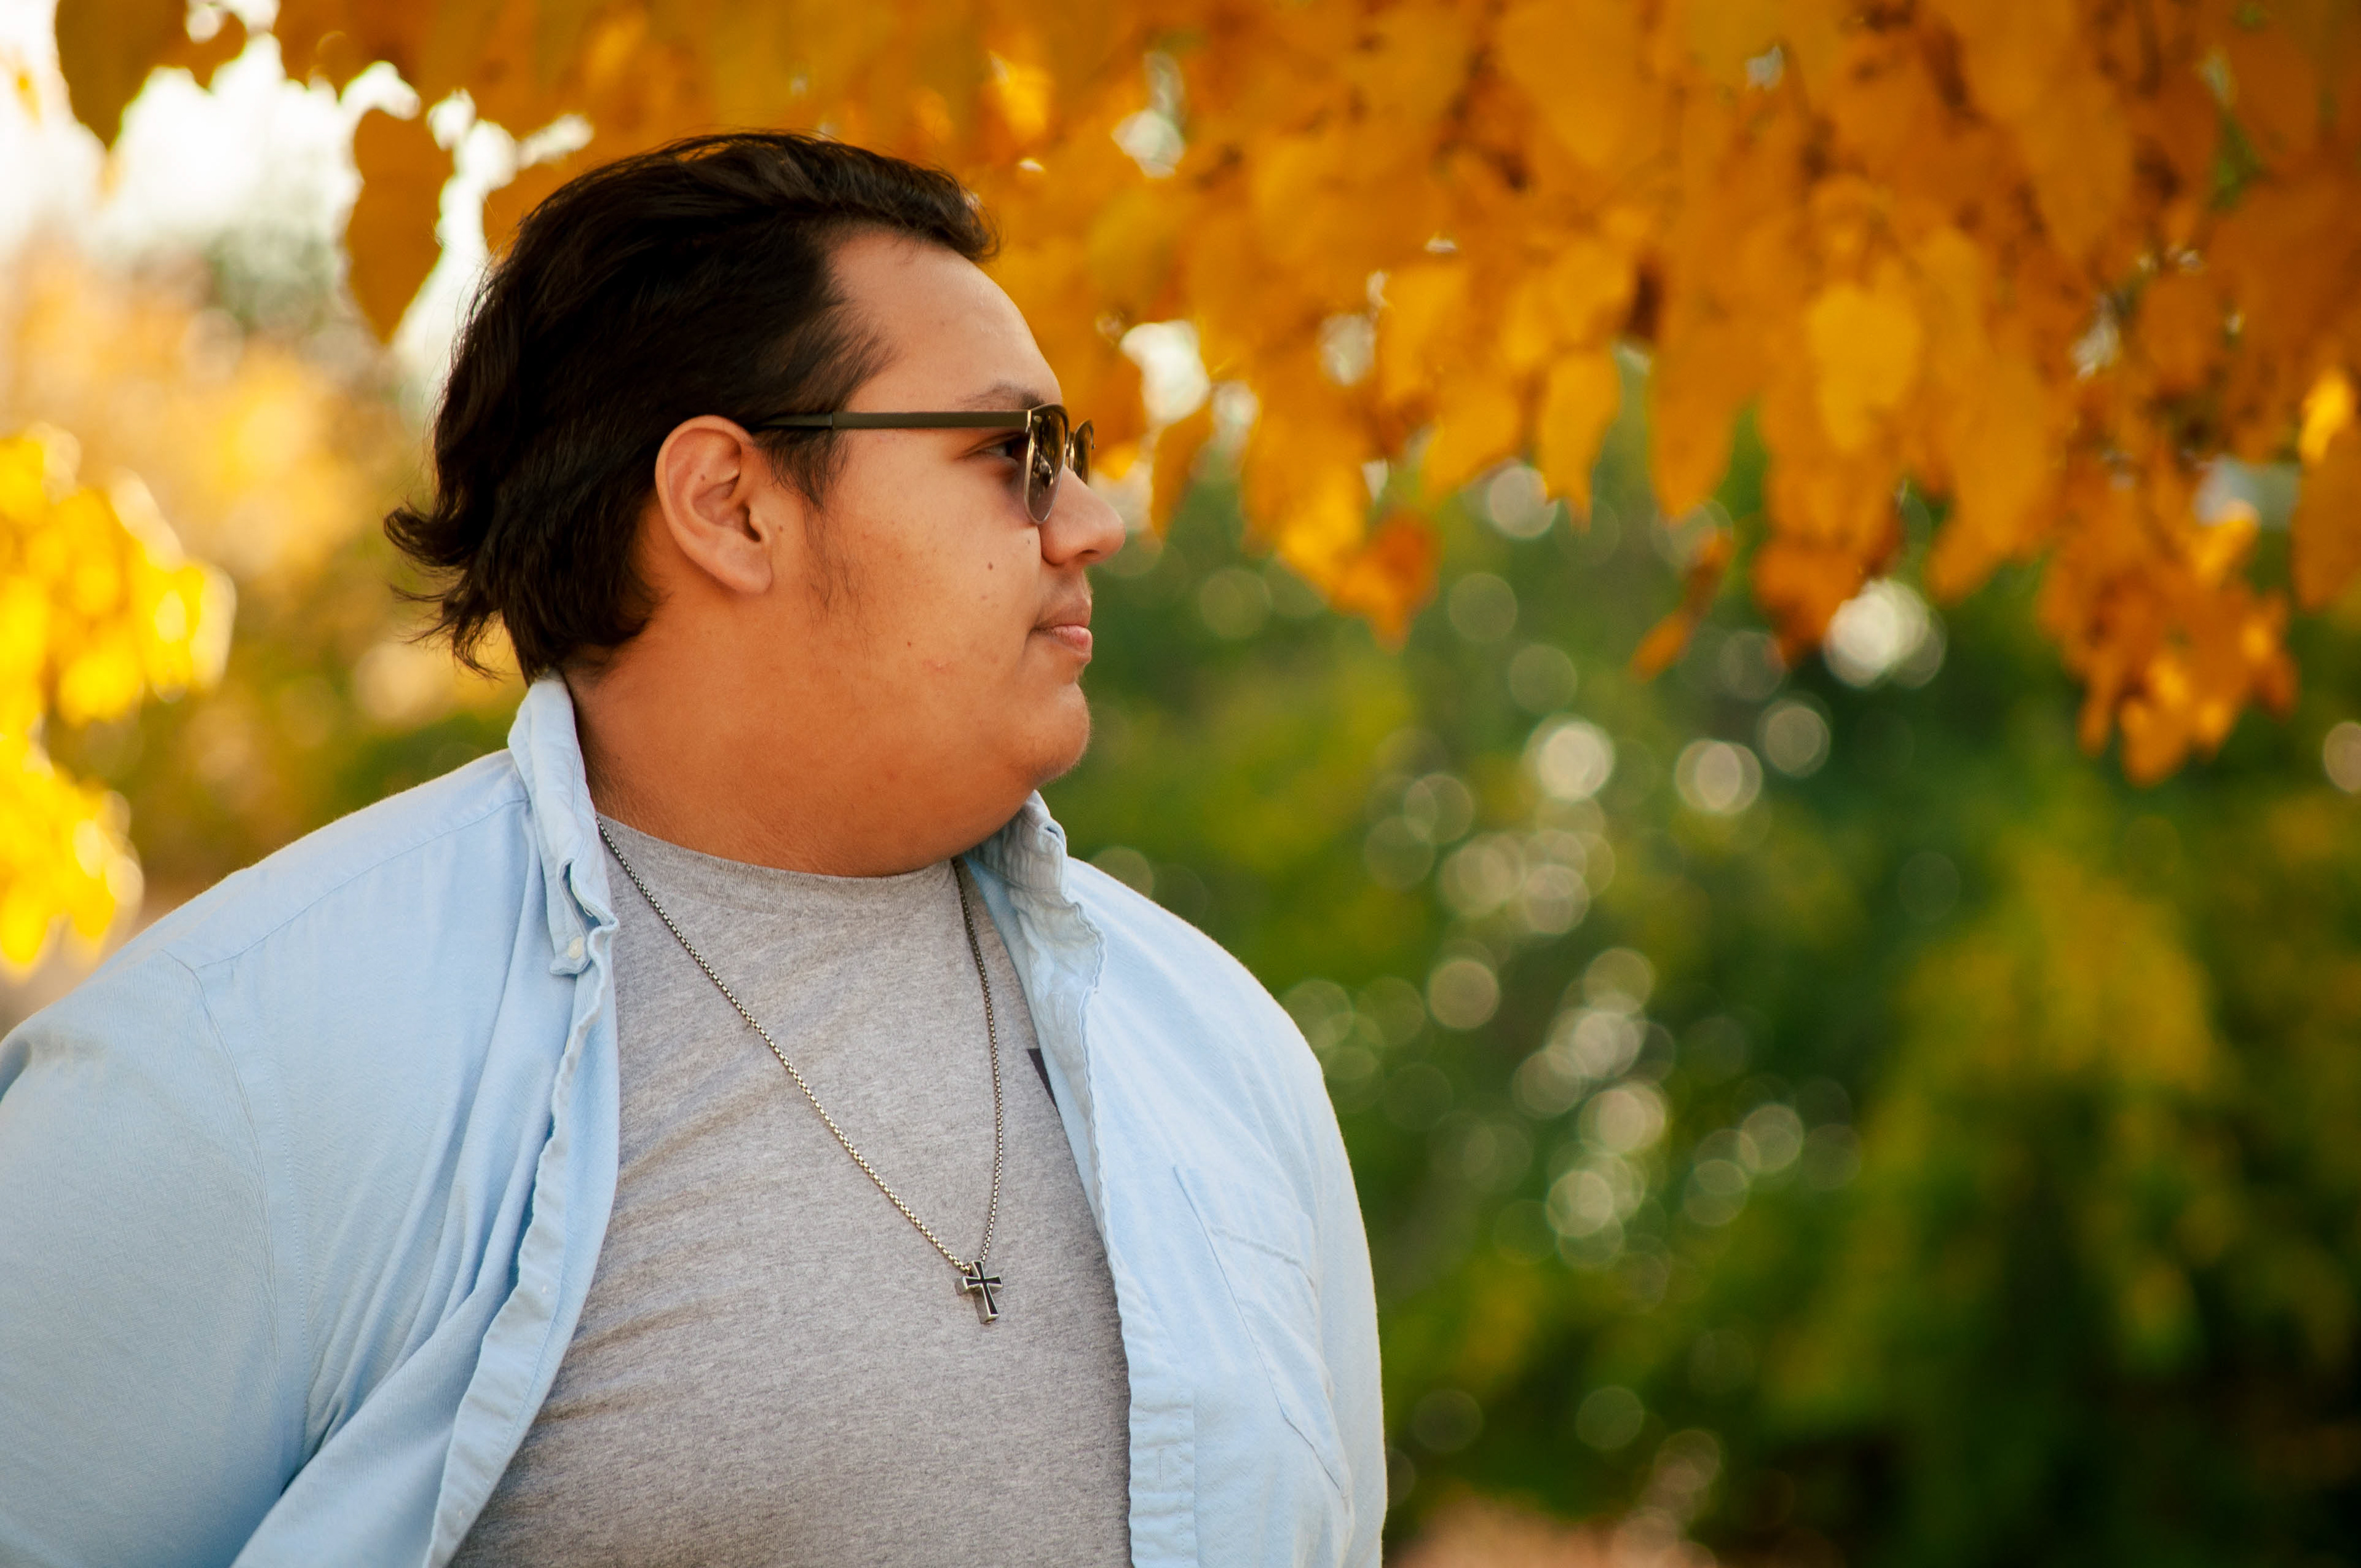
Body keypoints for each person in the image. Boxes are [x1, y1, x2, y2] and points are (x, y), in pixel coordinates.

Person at [0, 133, 1382, 1567]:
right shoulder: (244, 1064)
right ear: (729, 502)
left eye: (1073, 458)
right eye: (1011, 454)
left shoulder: (1220, 1052)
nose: (1091, 523)